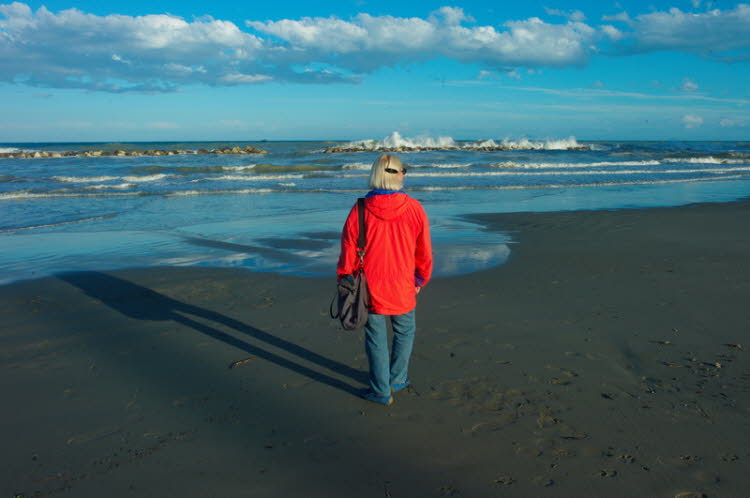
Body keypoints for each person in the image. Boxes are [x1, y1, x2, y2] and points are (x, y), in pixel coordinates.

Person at [337, 153, 433, 406]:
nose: (404, 174)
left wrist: (344, 278)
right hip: (402, 283)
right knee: (404, 331)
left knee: (375, 336)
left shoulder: (359, 208)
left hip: (369, 286)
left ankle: (381, 389)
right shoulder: (414, 208)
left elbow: (348, 248)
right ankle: (397, 379)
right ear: (398, 174)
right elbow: (423, 249)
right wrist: (420, 278)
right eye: (404, 170)